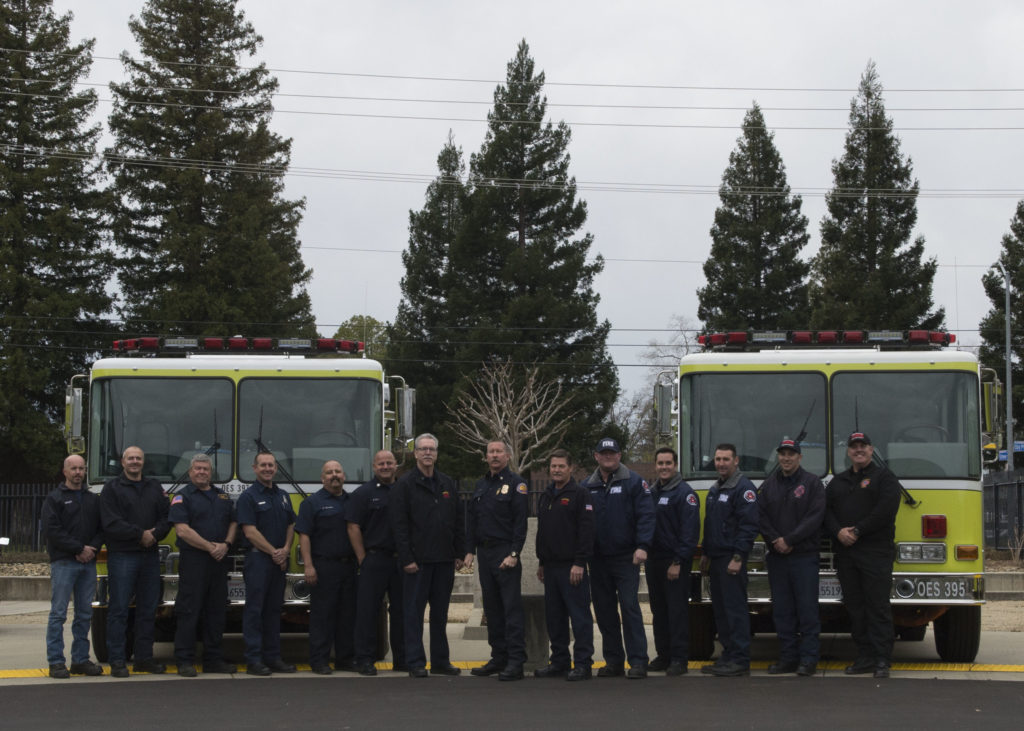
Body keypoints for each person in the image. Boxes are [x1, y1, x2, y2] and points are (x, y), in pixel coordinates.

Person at [825, 431, 902, 679]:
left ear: (871, 449)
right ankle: (864, 657)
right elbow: (825, 512)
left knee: (877, 607)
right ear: (848, 452)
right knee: (855, 607)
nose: (859, 450)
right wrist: (838, 532)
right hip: (847, 554)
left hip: (876, 552)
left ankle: (882, 659)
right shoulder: (838, 482)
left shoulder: (885, 478)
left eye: (863, 446)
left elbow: (885, 512)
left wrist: (857, 531)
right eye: (854, 447)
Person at [390, 433, 466, 677]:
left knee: (440, 614)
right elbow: (399, 525)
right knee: (413, 614)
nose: (427, 453)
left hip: (444, 560)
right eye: (422, 449)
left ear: (436, 453)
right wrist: (406, 558)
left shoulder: (446, 484)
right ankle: (415, 662)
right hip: (417, 562)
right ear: (415, 454)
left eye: (431, 449)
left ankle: (441, 661)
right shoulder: (404, 484)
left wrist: (458, 551)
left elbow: (457, 520)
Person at [581, 437, 654, 679]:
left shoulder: (634, 482)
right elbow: (581, 523)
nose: (608, 457)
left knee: (630, 608)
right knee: (604, 611)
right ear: (596, 456)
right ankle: (613, 661)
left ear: (620, 456)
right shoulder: (586, 486)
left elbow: (646, 515)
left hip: (626, 558)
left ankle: (638, 661)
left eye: (612, 453)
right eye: (604, 453)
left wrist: (642, 545)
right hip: (598, 560)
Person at [100, 445, 171, 677]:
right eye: (130, 458)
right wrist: (140, 534)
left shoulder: (154, 487)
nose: (134, 462)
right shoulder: (111, 489)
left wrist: (155, 534)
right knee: (119, 609)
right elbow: (111, 522)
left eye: (138, 458)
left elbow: (166, 517)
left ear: (143, 462)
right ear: (122, 462)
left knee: (148, 610)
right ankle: (118, 660)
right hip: (122, 556)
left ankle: (144, 658)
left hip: (149, 556)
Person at [758, 438, 826, 677]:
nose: (786, 458)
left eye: (791, 454)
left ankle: (808, 660)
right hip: (777, 557)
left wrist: (790, 540)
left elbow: (815, 518)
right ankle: (787, 658)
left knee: (807, 610)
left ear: (800, 457)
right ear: (778, 457)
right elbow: (761, 516)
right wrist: (775, 539)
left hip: (804, 557)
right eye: (783, 454)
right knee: (782, 611)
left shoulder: (813, 483)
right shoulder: (768, 486)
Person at [170, 453, 238, 677]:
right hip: (194, 562)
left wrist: (226, 544)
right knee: (189, 610)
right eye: (197, 469)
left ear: (211, 472)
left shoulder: (223, 497)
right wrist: (211, 547)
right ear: (190, 472)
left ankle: (213, 659)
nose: (201, 472)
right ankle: (184, 659)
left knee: (216, 612)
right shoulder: (182, 497)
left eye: (205, 469)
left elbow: (234, 522)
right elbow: (182, 530)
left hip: (219, 562)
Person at [465, 440, 528, 681]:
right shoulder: (481, 485)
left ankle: (515, 661)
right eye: (490, 452)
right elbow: (473, 521)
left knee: (511, 608)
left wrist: (514, 554)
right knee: (492, 608)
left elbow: (520, 524)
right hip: (485, 553)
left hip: (505, 552)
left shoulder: (516, 484)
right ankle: (498, 657)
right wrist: (469, 550)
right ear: (486, 456)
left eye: (498, 452)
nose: (494, 455)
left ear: (508, 456)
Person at [534, 449, 595, 681]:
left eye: (561, 466)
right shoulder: (547, 494)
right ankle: (559, 661)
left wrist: (580, 562)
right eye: (553, 466)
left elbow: (587, 532)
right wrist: (541, 561)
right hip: (550, 568)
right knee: (555, 618)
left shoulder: (580, 495)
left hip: (573, 568)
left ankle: (583, 664)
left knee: (579, 618)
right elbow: (543, 532)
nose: (556, 470)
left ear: (571, 468)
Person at [42, 454, 104, 678]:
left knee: (84, 614)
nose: (78, 472)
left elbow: (101, 529)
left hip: (88, 564)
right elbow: (52, 531)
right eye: (74, 469)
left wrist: (91, 549)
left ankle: (80, 660)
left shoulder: (92, 499)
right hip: (64, 563)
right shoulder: (54, 499)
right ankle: (56, 662)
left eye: (81, 468)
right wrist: (78, 549)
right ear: (65, 471)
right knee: (58, 614)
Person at [700, 443, 759, 677]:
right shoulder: (716, 489)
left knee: (735, 610)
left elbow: (749, 526)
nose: (721, 463)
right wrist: (705, 552)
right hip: (716, 558)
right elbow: (710, 525)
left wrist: (738, 557)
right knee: (721, 612)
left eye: (726, 459)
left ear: (736, 461)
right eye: (718, 459)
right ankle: (727, 655)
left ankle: (741, 659)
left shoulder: (743, 489)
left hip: (731, 559)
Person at [236, 451, 296, 676]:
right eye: (263, 465)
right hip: (258, 560)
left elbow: (291, 525)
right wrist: (274, 552)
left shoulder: (282, 496)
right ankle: (254, 659)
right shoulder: (248, 497)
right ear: (254, 468)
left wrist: (286, 550)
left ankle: (273, 657)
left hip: (278, 561)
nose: (268, 468)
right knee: (255, 610)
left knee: (274, 610)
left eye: (271, 465)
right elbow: (249, 531)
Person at [296, 460, 358, 675]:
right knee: (322, 617)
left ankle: (345, 659)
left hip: (349, 567)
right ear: (322, 478)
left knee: (347, 616)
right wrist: (309, 566)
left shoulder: (353, 501)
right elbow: (304, 536)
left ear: (344, 476)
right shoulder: (312, 503)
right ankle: (319, 660)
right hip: (324, 567)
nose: (334, 475)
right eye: (329, 472)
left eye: (338, 471)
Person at [347, 450, 405, 675]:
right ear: (373, 467)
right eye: (381, 463)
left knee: (401, 612)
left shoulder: (404, 490)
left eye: (389, 463)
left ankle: (403, 659)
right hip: (374, 558)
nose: (385, 466)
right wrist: (363, 558)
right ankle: (364, 659)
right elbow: (353, 526)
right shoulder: (363, 493)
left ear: (395, 465)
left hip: (401, 561)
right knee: (367, 612)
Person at [647, 447, 700, 677]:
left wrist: (678, 561)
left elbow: (690, 533)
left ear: (675, 465)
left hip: (674, 562)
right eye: (660, 463)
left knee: (676, 611)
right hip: (654, 561)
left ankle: (679, 658)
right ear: (655, 465)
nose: (664, 467)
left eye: (668, 463)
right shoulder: (651, 492)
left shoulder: (684, 493)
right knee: (659, 610)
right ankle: (664, 654)